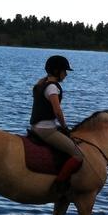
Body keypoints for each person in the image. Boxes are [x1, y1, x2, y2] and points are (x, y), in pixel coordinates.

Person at [29, 54, 83, 192]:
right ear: (56, 71)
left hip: (36, 127)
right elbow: (57, 111)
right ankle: (58, 185)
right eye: (64, 71)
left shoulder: (41, 84)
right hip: (46, 130)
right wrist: (65, 127)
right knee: (78, 155)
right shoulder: (52, 88)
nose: (66, 74)